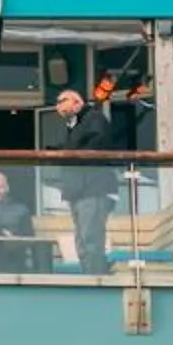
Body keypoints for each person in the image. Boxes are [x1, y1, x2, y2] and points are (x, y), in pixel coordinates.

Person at [51, 87, 123, 272]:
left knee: (91, 237)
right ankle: (90, 275)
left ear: (77, 102)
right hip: (78, 191)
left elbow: (97, 145)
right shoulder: (74, 125)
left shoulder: (94, 117)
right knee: (82, 240)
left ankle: (97, 278)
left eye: (62, 100)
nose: (58, 106)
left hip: (94, 188)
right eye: (57, 103)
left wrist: (66, 153)